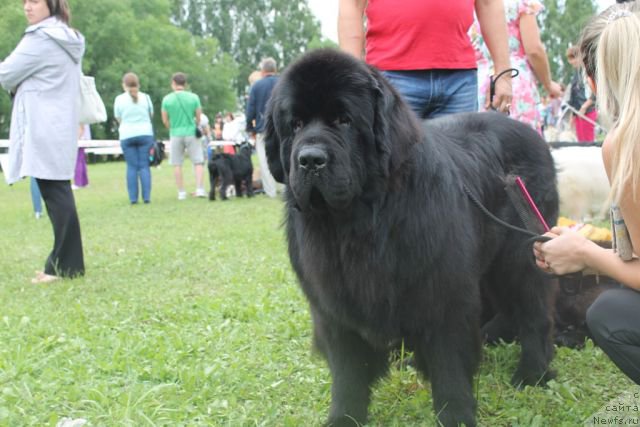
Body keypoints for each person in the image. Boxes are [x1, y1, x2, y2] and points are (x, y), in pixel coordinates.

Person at [534, 3, 640, 385]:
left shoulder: (627, 142)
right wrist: (591, 256)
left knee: (610, 312)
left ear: (594, 83)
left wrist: (584, 253)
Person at [0, 0, 85, 284]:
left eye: (34, 1)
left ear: (52, 5)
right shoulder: (67, 36)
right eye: (24, 1)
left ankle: (64, 266)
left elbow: (6, 74)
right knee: (57, 191)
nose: (27, 7)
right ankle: (65, 264)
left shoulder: (40, 38)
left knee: (56, 193)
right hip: (59, 120)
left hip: (42, 122)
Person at [338, 0, 513, 118]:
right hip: (391, 78)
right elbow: (352, 4)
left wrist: (504, 75)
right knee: (397, 167)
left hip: (459, 80)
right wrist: (352, 77)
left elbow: (488, 3)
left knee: (460, 167)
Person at [473, 0, 563, 133]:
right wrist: (548, 84)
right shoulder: (521, 2)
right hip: (513, 79)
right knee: (522, 144)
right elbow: (534, 50)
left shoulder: (475, 4)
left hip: (478, 82)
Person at [161, 72, 206, 200]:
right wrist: (195, 124)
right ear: (185, 84)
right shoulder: (194, 97)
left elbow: (164, 119)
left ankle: (181, 192)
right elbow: (198, 117)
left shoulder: (167, 99)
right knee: (198, 161)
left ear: (173, 83)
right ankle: (200, 189)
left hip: (175, 133)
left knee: (177, 163)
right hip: (191, 131)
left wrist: (172, 127)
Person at [114, 72, 155, 204]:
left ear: (124, 85)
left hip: (127, 134)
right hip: (145, 133)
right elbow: (151, 115)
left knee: (131, 167)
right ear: (138, 84)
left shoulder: (119, 99)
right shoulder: (146, 98)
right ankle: (147, 197)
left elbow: (118, 118)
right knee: (144, 166)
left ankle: (133, 198)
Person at [246, 57, 278, 198]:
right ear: (275, 70)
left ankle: (270, 191)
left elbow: (250, 109)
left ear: (262, 71)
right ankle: (288, 188)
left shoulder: (256, 86)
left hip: (263, 128)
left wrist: (250, 127)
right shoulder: (284, 81)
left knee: (265, 161)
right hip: (283, 127)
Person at [566, 45, 597, 142]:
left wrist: (584, 107)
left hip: (587, 111)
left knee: (588, 142)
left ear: (580, 57)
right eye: (570, 59)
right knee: (580, 142)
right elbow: (573, 95)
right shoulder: (576, 74)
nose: (571, 62)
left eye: (573, 58)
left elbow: (596, 92)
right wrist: (573, 115)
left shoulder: (589, 72)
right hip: (578, 113)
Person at [72, 123, 90, 190]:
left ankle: (77, 183)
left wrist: (77, 139)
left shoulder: (79, 115)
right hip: (83, 140)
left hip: (80, 141)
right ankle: (85, 183)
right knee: (82, 162)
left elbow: (81, 128)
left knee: (78, 162)